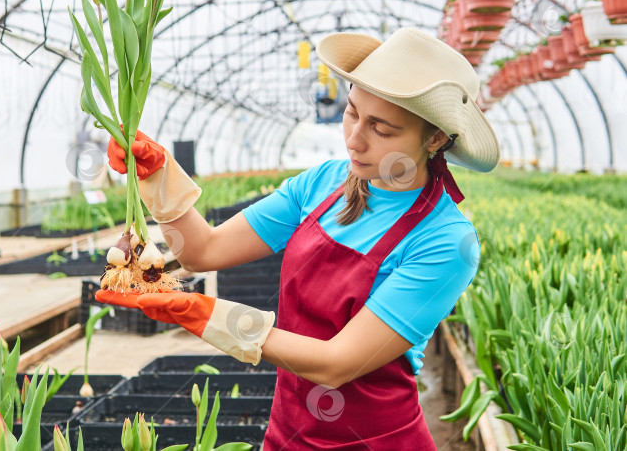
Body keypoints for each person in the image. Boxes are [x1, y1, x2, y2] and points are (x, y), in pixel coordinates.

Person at [97, 27, 501, 449]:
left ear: (436, 138)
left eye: (382, 130)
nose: (354, 139)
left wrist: (201, 313)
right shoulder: (322, 184)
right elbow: (202, 251)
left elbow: (336, 364)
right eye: (352, 112)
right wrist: (158, 176)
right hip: (289, 430)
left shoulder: (445, 241)